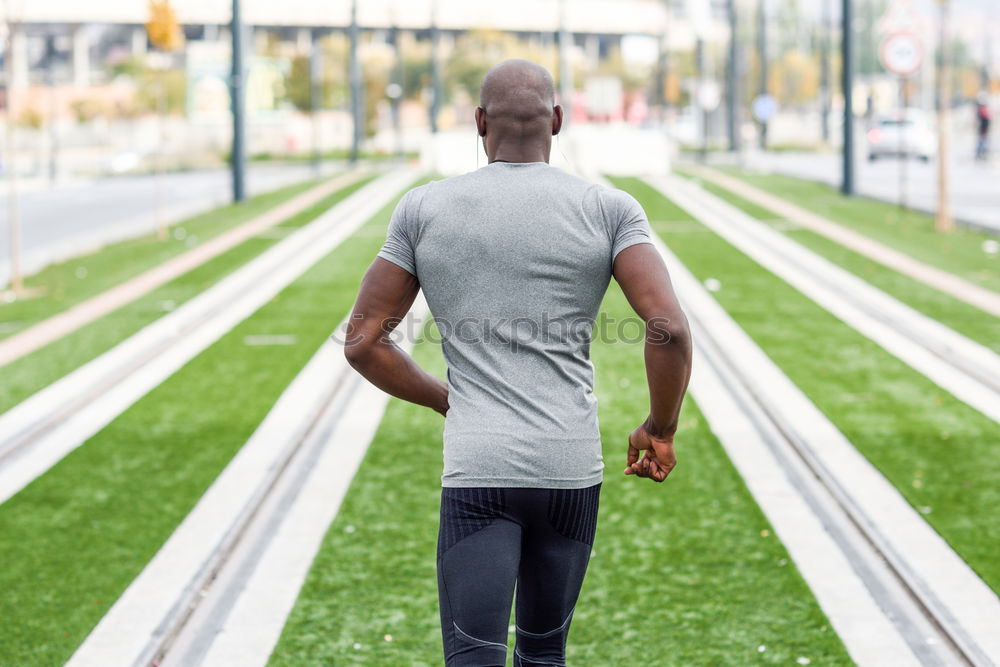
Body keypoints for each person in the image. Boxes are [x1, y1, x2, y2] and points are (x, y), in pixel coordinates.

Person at [344, 59, 692, 666]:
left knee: (475, 657)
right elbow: (668, 327)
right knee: (543, 655)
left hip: (479, 465)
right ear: (557, 120)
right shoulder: (609, 209)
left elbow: (362, 341)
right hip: (569, 466)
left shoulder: (424, 208)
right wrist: (660, 427)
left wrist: (445, 398)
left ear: (479, 123)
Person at [976, 93, 991, 161]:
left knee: (982, 139)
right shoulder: (982, 108)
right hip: (983, 126)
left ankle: (981, 152)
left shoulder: (981, 108)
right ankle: (981, 152)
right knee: (983, 139)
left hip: (983, 126)